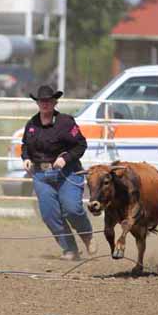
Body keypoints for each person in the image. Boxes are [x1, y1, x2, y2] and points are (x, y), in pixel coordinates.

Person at [22, 85, 95, 261]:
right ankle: (70, 249)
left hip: (67, 172)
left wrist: (66, 158)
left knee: (72, 208)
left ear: (54, 102)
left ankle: (87, 236)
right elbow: (25, 145)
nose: (45, 104)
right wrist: (26, 158)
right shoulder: (31, 124)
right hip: (41, 175)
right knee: (49, 214)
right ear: (38, 103)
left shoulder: (65, 122)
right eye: (42, 101)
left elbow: (81, 144)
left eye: (48, 101)